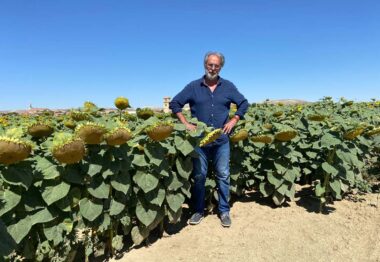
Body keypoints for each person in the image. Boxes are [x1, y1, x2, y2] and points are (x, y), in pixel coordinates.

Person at [169, 51, 248, 227]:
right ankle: (198, 210)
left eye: (216, 65)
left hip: (221, 140)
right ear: (205, 65)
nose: (212, 68)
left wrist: (234, 119)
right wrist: (186, 123)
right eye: (209, 64)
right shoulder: (193, 86)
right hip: (200, 141)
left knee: (223, 175)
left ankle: (224, 211)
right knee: (199, 176)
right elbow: (175, 103)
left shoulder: (227, 86)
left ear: (221, 67)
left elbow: (243, 103)